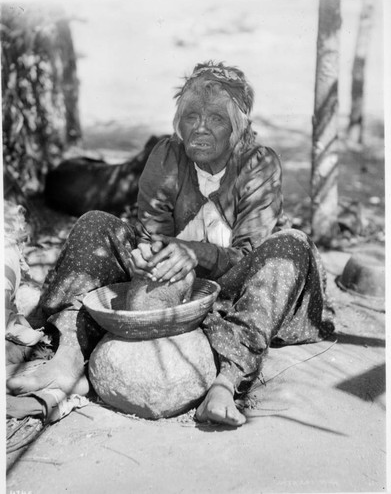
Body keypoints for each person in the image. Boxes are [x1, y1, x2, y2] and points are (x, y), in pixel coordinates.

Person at [6, 61, 335, 426]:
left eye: (216, 119)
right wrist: (143, 259)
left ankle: (226, 382)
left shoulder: (258, 165)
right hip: (169, 290)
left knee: (292, 244)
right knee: (95, 224)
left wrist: (192, 253)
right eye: (191, 116)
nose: (201, 128)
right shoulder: (167, 157)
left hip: (236, 291)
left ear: (238, 128)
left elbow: (249, 253)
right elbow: (153, 237)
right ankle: (68, 355)